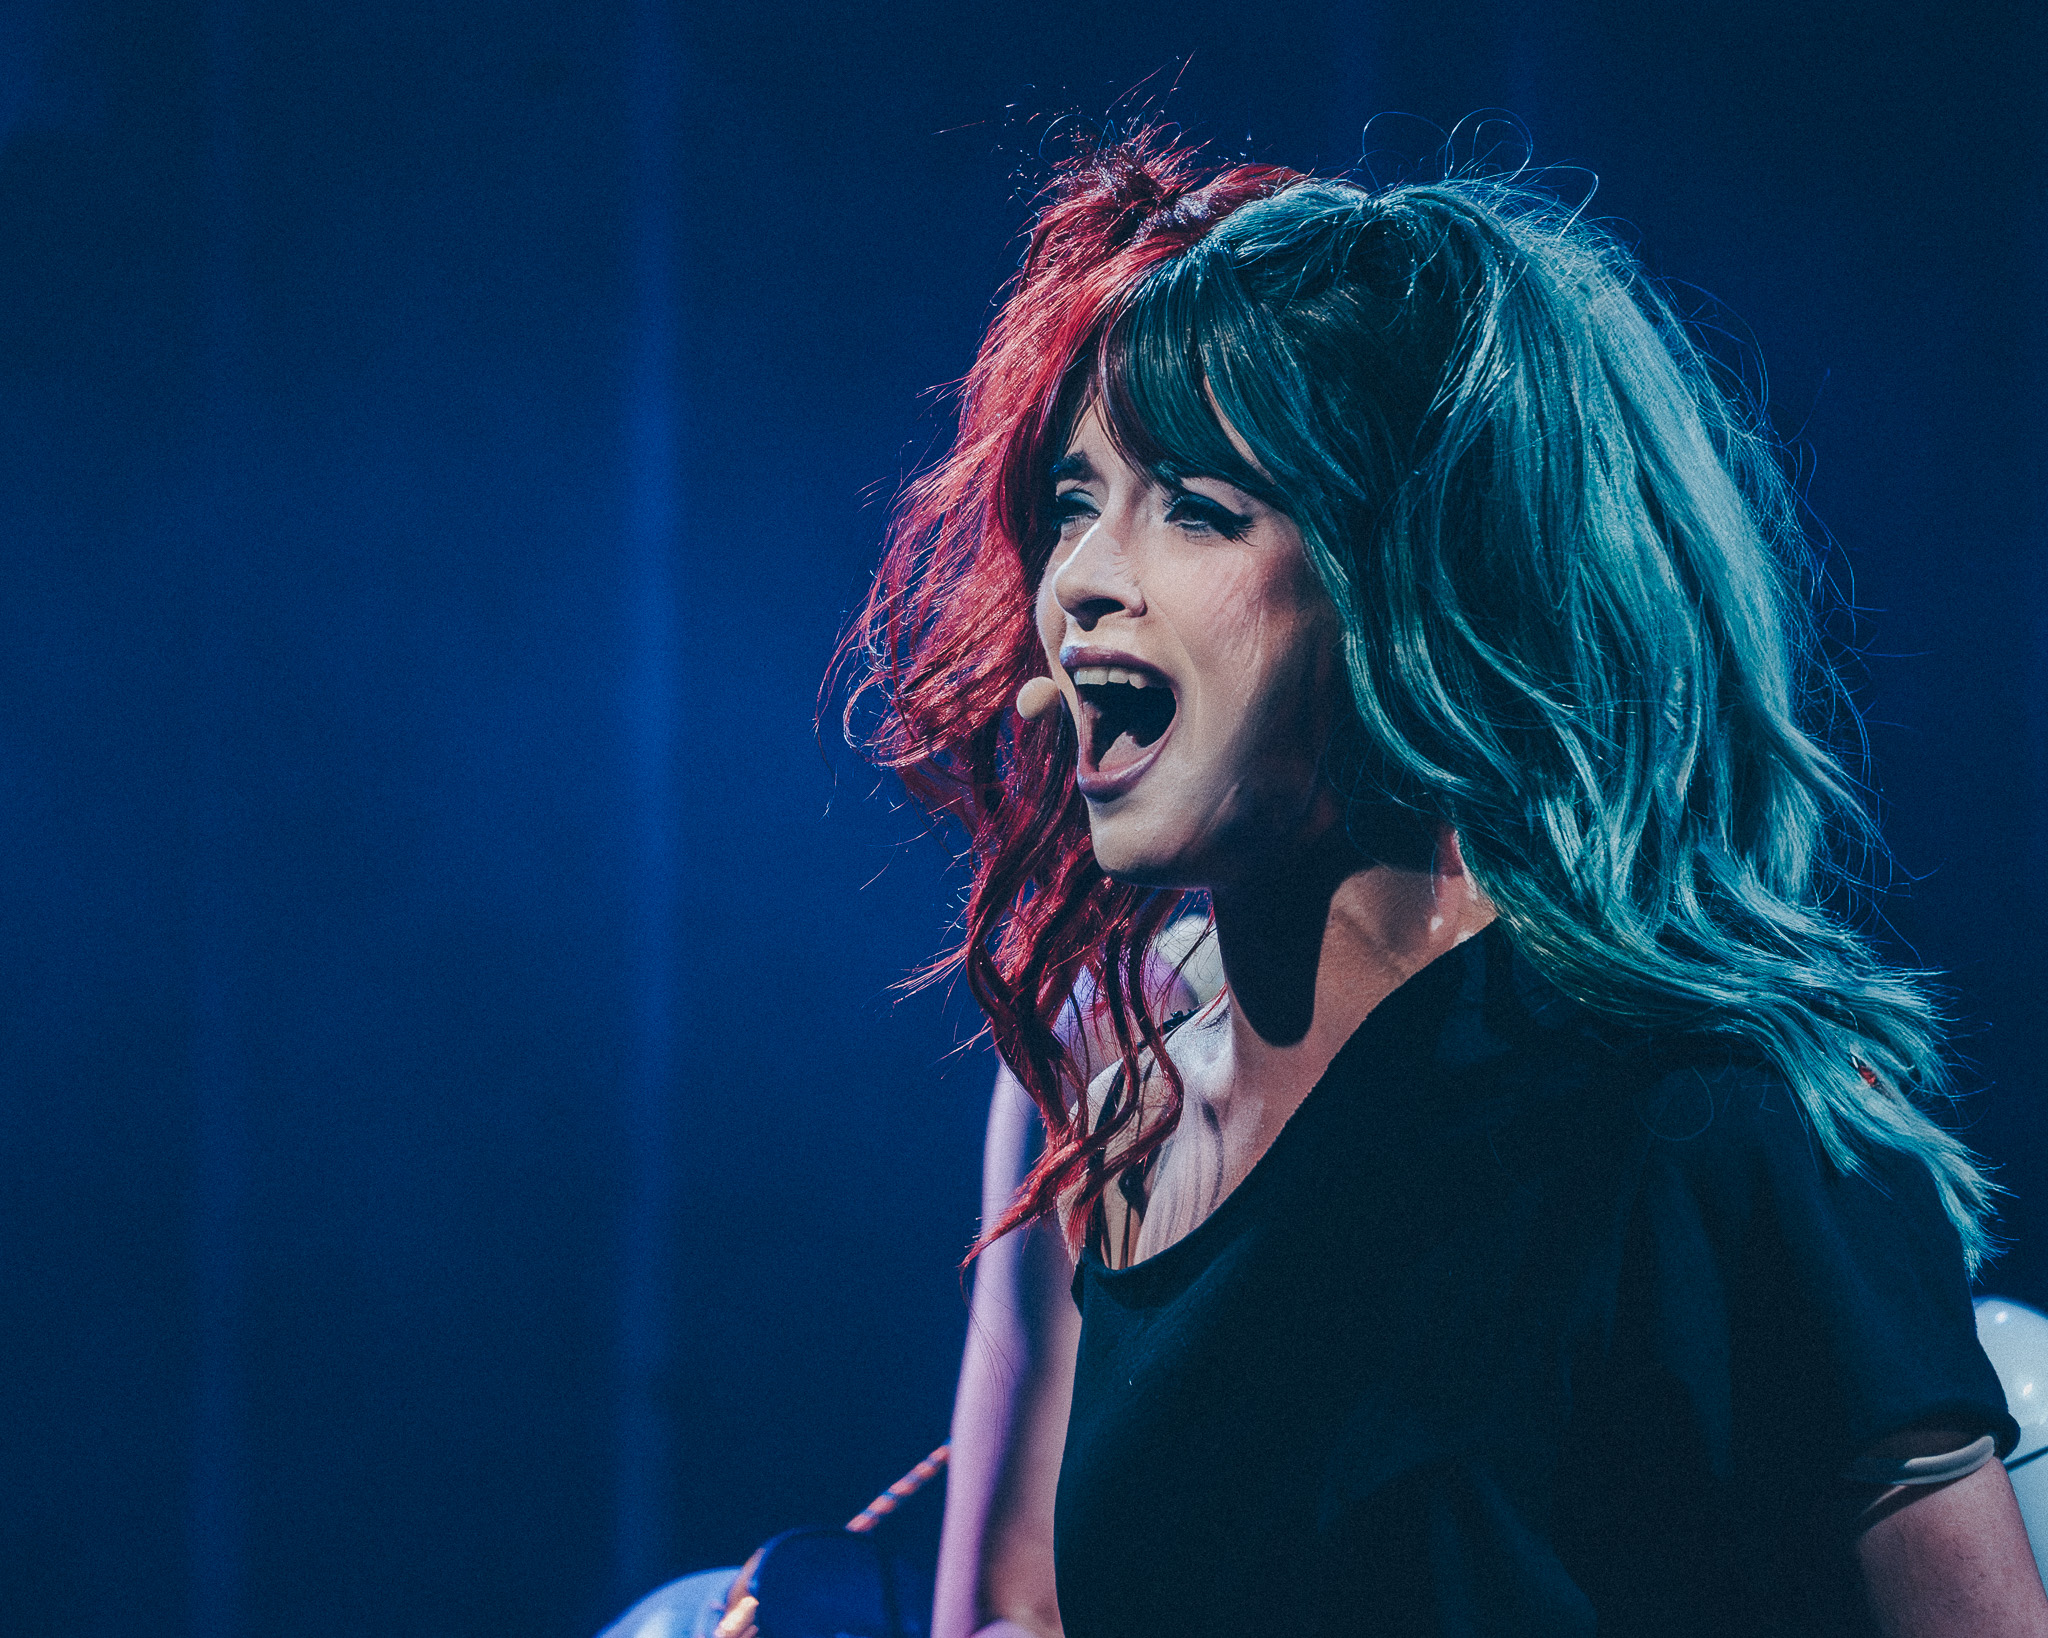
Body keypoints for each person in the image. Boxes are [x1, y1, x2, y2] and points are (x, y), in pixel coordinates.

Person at [842, 129, 2048, 1637]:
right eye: (1077, 502)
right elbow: (1019, 1609)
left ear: (1420, 578)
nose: (1079, 575)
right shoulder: (1102, 1073)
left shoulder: (1711, 1115)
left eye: (1198, 505)